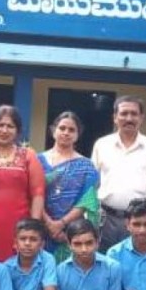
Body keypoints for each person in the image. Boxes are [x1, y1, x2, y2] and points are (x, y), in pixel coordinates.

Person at [0, 105, 46, 261]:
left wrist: (33, 228)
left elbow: (38, 193)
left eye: (10, 126)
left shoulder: (28, 155)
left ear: (18, 130)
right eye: (0, 125)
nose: (4, 130)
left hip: (19, 225)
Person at [90, 95, 146, 250]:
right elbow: (92, 185)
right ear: (115, 117)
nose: (129, 118)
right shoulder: (102, 145)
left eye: (134, 114)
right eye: (123, 113)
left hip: (140, 221)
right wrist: (91, 219)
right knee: (105, 264)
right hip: (106, 219)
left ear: (141, 118)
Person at [39, 111, 101, 261]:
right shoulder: (36, 161)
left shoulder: (86, 166)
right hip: (40, 229)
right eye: (62, 128)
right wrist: (48, 224)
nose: (66, 133)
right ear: (53, 131)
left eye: (71, 130)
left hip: (71, 233)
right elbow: (32, 195)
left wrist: (61, 224)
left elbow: (87, 201)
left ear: (78, 135)